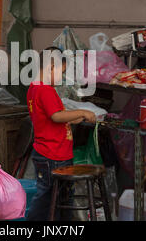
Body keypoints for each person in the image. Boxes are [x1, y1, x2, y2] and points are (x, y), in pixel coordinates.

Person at [26, 47, 96, 221]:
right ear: (51, 67)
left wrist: (74, 117)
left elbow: (50, 117)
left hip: (48, 152)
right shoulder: (46, 90)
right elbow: (56, 116)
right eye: (61, 72)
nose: (62, 78)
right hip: (53, 155)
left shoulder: (35, 88)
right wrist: (83, 111)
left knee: (54, 197)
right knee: (49, 197)